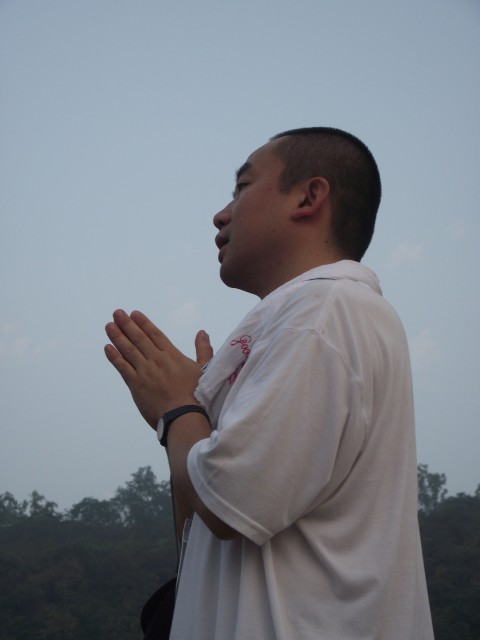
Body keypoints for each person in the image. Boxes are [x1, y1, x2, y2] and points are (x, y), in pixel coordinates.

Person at [104, 127, 434, 639]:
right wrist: (194, 416)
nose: (221, 215)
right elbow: (201, 533)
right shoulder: (299, 319)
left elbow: (231, 502)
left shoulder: (325, 310)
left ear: (309, 197)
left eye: (242, 188)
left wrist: (175, 409)